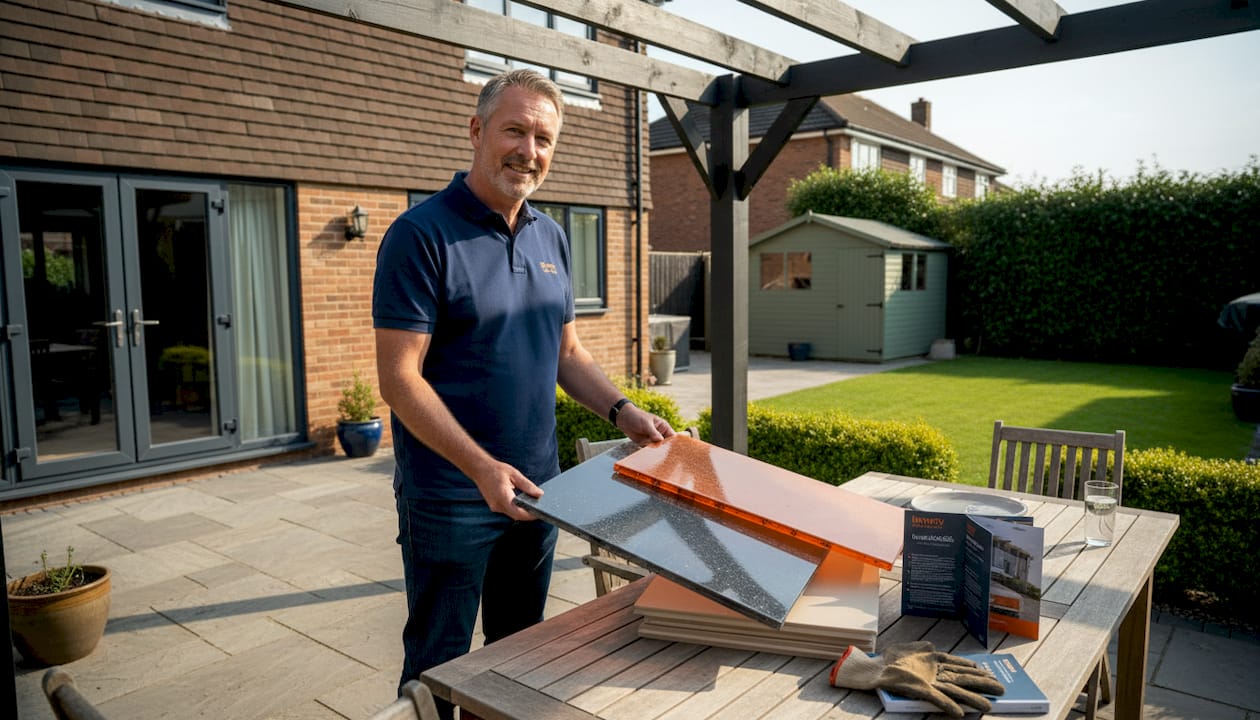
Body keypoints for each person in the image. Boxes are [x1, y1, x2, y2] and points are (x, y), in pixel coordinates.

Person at [372, 68, 675, 712]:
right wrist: (482, 468)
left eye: (544, 138)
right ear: (477, 130)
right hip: (452, 494)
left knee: (518, 658)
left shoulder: (551, 236)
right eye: (515, 130)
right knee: (438, 663)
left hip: (538, 490)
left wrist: (625, 412)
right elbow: (399, 379)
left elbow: (567, 352)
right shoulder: (420, 235)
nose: (529, 151)